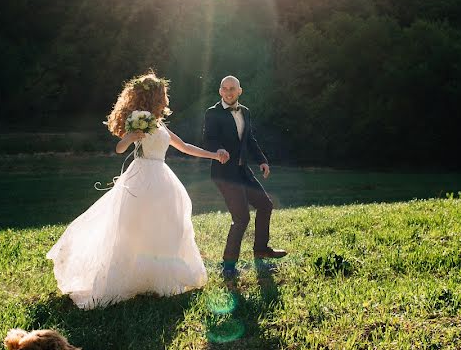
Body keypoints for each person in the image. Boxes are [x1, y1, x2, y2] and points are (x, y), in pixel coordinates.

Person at [47, 72, 229, 309]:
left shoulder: (159, 123)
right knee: (135, 226)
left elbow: (184, 147)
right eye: (162, 95)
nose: (166, 99)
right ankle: (132, 277)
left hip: (162, 177)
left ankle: (159, 279)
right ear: (153, 97)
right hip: (142, 176)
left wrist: (214, 155)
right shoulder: (139, 119)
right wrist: (132, 135)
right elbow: (121, 148)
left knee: (167, 224)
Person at [203, 75, 286, 281]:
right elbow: (209, 139)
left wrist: (262, 160)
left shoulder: (245, 112)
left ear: (240, 91)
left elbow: (249, 139)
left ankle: (261, 250)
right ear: (220, 91)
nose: (229, 92)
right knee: (241, 218)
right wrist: (218, 148)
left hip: (242, 171)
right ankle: (228, 265)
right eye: (225, 88)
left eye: (233, 88)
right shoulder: (212, 113)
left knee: (265, 205)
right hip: (224, 174)